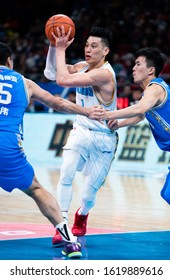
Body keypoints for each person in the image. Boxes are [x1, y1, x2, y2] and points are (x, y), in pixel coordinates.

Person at [0, 42, 102, 258]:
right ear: (9, 61)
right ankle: (69, 241)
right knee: (36, 190)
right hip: (7, 147)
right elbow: (57, 103)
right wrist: (86, 111)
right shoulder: (24, 83)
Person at [44, 26, 118, 245]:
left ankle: (82, 212)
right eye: (86, 44)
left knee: (88, 194)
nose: (88, 49)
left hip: (103, 137)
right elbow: (51, 73)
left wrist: (60, 49)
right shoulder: (82, 66)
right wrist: (52, 46)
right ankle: (62, 223)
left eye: (94, 46)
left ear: (105, 51)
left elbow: (62, 81)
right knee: (66, 173)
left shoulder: (104, 74)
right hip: (81, 129)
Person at [98, 47, 170, 206]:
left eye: (138, 64)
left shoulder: (155, 88)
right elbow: (140, 115)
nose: (133, 68)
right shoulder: (150, 92)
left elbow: (140, 109)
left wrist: (108, 114)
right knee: (169, 195)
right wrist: (119, 123)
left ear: (151, 70)